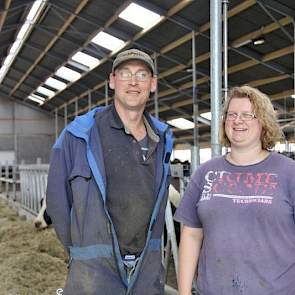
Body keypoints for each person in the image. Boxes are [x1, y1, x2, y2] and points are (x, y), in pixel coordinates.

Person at [46, 48, 173, 295]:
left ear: (153, 84)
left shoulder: (163, 138)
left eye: (142, 75)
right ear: (112, 81)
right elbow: (57, 200)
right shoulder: (78, 134)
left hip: (145, 272)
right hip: (93, 274)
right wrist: (83, 251)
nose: (133, 82)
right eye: (125, 74)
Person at [174, 85, 295, 295]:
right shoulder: (206, 173)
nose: (238, 121)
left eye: (248, 115)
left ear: (263, 122)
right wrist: (184, 292)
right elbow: (191, 235)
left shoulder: (288, 172)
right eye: (232, 115)